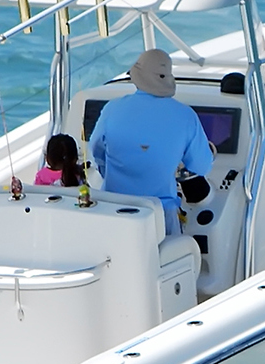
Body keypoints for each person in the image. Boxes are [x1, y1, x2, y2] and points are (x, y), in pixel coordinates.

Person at [88, 49, 214, 235]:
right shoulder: (186, 116)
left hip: (113, 211)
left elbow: (96, 150)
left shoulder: (111, 109)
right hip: (161, 217)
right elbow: (202, 167)